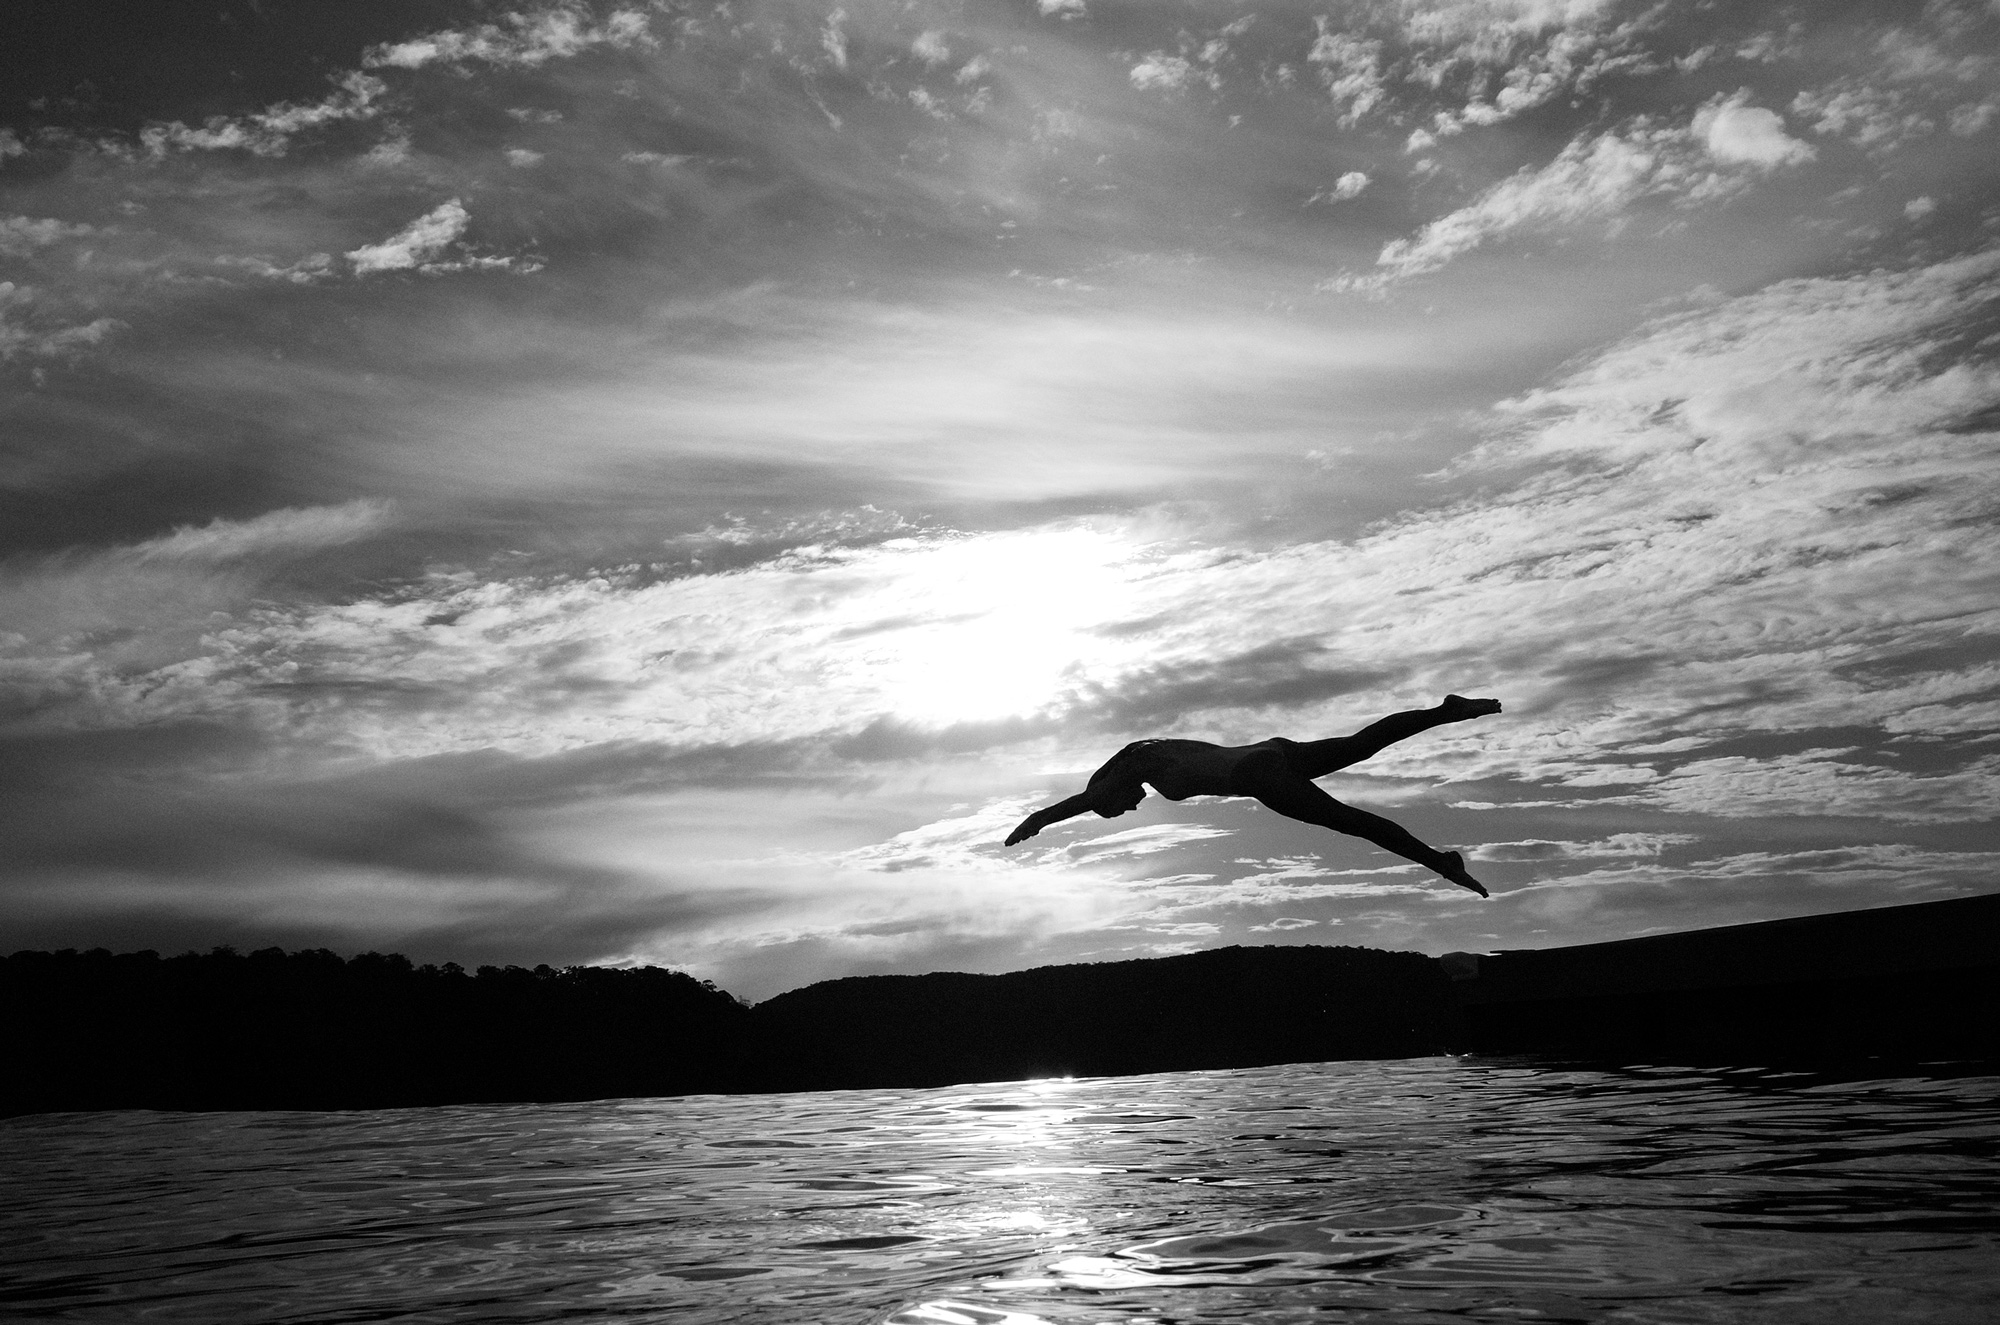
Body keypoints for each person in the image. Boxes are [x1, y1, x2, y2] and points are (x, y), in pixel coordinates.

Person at [1003, 695, 1502, 897]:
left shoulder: (1137, 766)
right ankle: (1447, 710)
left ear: (1111, 792)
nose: (1132, 806)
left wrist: (1038, 819)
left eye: (1120, 808)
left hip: (1259, 776)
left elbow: (1084, 800)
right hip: (1271, 752)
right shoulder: (1151, 751)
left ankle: (1443, 865)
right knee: (1362, 744)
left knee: (1353, 822)